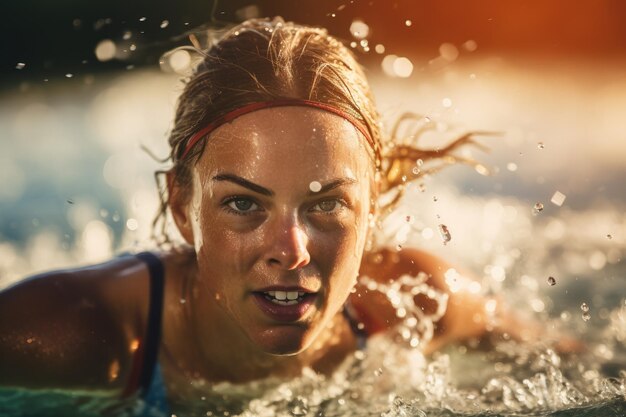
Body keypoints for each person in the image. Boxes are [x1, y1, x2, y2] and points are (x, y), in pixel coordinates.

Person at [0, 17, 537, 415]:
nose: (290, 248)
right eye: (243, 204)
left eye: (326, 203)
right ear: (183, 208)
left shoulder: (418, 306)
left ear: (371, 210)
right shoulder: (80, 334)